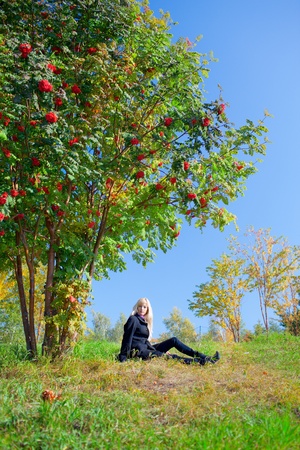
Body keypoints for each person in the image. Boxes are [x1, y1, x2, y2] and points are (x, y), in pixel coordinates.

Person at [118, 297, 220, 365]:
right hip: (139, 352)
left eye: (144, 307)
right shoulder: (133, 319)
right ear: (137, 307)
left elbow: (144, 341)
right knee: (171, 357)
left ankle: (204, 357)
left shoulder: (144, 322)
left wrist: (158, 350)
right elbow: (127, 338)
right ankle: (201, 362)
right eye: (139, 306)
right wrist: (123, 357)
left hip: (147, 348)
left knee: (173, 340)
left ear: (148, 309)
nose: (141, 309)